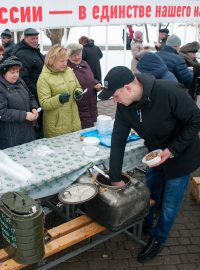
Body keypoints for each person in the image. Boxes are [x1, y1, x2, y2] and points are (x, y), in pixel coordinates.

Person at [98, 66, 200, 262]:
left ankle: (158, 239)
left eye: (115, 95)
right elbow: (118, 140)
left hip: (181, 155)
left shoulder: (169, 92)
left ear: (128, 88)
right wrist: (115, 177)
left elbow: (196, 120)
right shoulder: (125, 106)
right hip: (155, 156)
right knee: (149, 192)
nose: (114, 100)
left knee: (170, 205)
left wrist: (172, 150)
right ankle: (145, 221)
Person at [37, 45, 81, 138]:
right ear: (52, 60)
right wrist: (59, 99)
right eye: (61, 61)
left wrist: (78, 93)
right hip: (57, 125)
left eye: (66, 60)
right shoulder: (44, 77)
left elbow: (77, 86)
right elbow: (44, 103)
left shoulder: (69, 71)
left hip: (74, 120)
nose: (65, 63)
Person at [0, 56, 39, 149]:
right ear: (3, 73)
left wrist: (34, 108)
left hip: (28, 130)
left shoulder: (20, 82)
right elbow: (2, 112)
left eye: (17, 72)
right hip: (11, 135)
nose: (15, 75)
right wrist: (24, 115)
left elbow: (31, 97)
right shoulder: (1, 88)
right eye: (12, 72)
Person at [14, 28, 45, 138]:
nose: (35, 40)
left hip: (41, 92)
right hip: (35, 94)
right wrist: (38, 92)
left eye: (36, 38)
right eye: (32, 38)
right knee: (38, 122)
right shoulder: (22, 54)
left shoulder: (34, 50)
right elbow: (24, 79)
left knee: (42, 120)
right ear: (25, 38)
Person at [67, 43, 102, 129]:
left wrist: (97, 85)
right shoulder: (67, 69)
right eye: (73, 55)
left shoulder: (85, 64)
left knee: (92, 131)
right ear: (68, 56)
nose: (77, 58)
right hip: (79, 110)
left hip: (92, 107)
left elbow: (91, 80)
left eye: (78, 54)